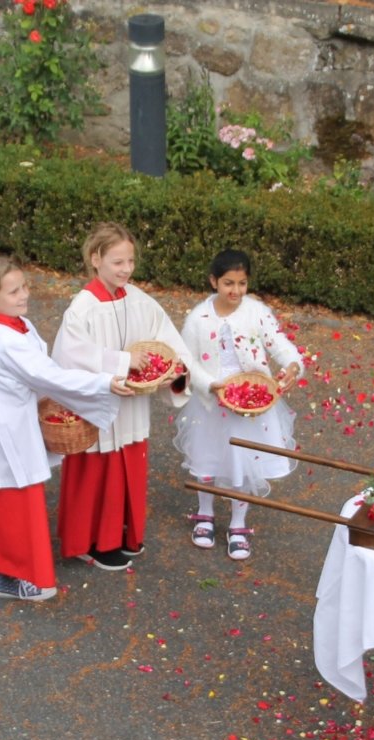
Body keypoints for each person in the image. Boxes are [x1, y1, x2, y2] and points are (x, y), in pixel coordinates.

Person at [0, 256, 133, 602]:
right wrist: (103, 383)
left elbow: (42, 368)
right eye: (13, 291)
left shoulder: (15, 323)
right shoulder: (3, 338)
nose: (24, 294)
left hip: (5, 415)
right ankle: (22, 576)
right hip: (2, 422)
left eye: (23, 285)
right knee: (15, 487)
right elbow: (47, 375)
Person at [51, 222, 193, 570]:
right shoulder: (82, 309)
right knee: (98, 469)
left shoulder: (140, 300)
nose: (126, 269)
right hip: (99, 406)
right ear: (95, 259)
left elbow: (168, 340)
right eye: (117, 262)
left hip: (132, 406)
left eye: (130, 261)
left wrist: (176, 371)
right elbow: (69, 358)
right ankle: (91, 542)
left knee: (128, 463)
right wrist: (121, 363)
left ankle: (124, 533)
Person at [173, 249, 303, 561]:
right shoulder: (197, 319)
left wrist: (292, 365)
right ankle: (205, 513)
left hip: (252, 394)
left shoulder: (256, 311)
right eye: (228, 283)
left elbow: (278, 343)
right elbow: (186, 361)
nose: (235, 291)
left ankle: (238, 522)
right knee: (208, 457)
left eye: (242, 284)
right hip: (212, 399)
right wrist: (209, 384)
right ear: (213, 281)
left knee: (244, 461)